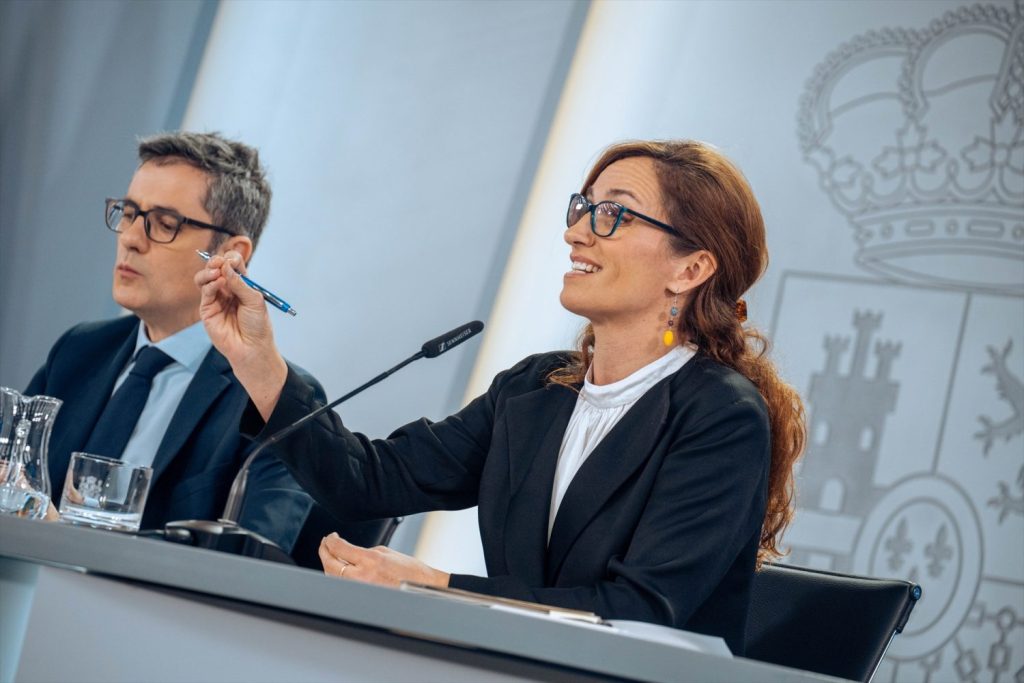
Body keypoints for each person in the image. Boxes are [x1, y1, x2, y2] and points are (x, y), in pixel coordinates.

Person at [197, 139, 806, 653]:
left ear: (690, 269)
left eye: (612, 215)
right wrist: (258, 359)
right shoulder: (536, 390)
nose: (575, 232)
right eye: (581, 208)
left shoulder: (720, 415)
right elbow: (368, 483)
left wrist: (433, 587)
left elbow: (638, 614)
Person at [27, 131, 317, 551]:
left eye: (164, 224)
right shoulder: (78, 351)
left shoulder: (274, 395)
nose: (130, 238)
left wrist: (66, 541)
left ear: (232, 253)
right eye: (127, 214)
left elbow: (254, 558)